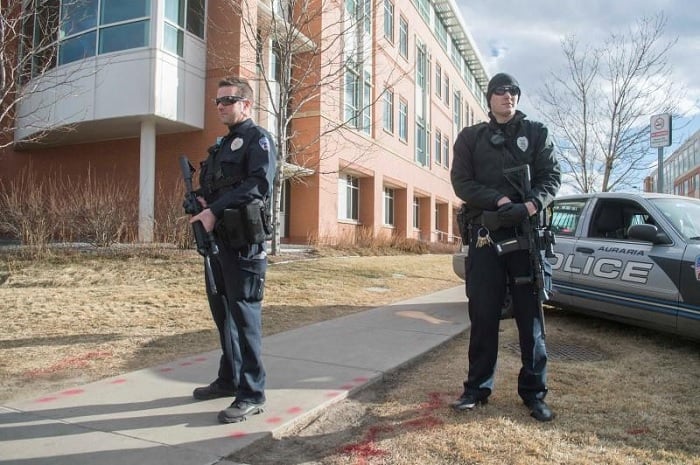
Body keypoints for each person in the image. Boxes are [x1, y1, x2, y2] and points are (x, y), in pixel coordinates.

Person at [450, 73, 561, 422]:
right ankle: (476, 389)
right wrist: (498, 200)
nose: (507, 96)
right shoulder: (471, 138)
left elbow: (551, 178)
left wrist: (529, 206)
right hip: (486, 235)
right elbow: (461, 181)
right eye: (500, 91)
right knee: (483, 315)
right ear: (489, 98)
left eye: (512, 91)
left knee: (531, 321)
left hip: (526, 235)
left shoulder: (537, 133)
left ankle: (534, 393)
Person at [189, 76, 276, 423]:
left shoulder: (258, 140)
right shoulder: (221, 147)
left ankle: (252, 392)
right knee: (223, 314)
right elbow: (216, 188)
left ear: (246, 104)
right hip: (219, 242)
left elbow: (258, 185)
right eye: (218, 101)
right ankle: (229, 379)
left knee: (244, 316)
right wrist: (201, 201)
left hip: (244, 242)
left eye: (228, 100)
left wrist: (213, 209)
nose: (221, 105)